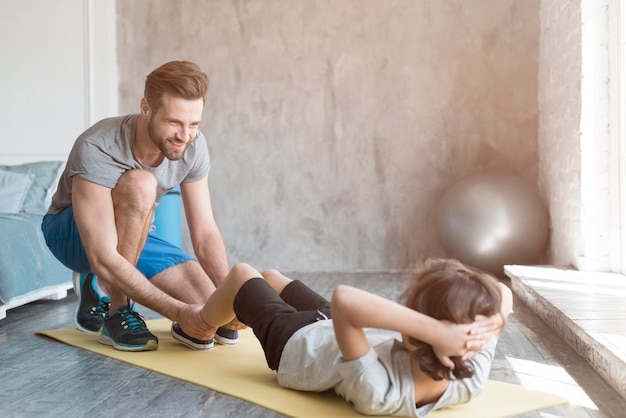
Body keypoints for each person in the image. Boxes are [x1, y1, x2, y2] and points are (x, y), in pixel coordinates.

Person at [42, 60, 241, 352]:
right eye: (174, 122)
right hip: (71, 232)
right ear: (146, 108)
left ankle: (99, 287)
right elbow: (104, 257)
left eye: (194, 124)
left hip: (134, 229)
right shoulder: (98, 145)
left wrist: (230, 297)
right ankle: (117, 310)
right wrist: (176, 311)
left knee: (210, 309)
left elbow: (205, 233)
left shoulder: (193, 146)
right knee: (141, 184)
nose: (184, 136)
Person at [198, 258, 512, 417]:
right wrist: (484, 324)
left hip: (298, 343)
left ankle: (199, 327)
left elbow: (345, 299)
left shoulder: (381, 392)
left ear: (415, 330)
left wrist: (437, 330)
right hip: (351, 330)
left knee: (242, 274)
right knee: (272, 279)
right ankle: (250, 303)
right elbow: (504, 293)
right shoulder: (470, 373)